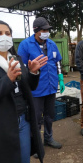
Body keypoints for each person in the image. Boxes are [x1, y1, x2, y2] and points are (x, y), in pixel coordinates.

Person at [0, 20, 48, 163]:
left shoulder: (16, 59)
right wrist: (8, 80)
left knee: (23, 159)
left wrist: (33, 73)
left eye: (7, 33)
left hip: (22, 120)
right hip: (0, 125)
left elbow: (29, 87)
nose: (4, 36)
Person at [18, 17, 65, 151]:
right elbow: (22, 67)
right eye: (44, 30)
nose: (46, 32)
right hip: (36, 90)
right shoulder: (25, 45)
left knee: (50, 116)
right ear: (36, 30)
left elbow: (57, 62)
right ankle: (36, 144)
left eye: (47, 30)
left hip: (51, 87)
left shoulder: (51, 44)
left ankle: (49, 138)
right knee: (36, 118)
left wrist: (60, 78)